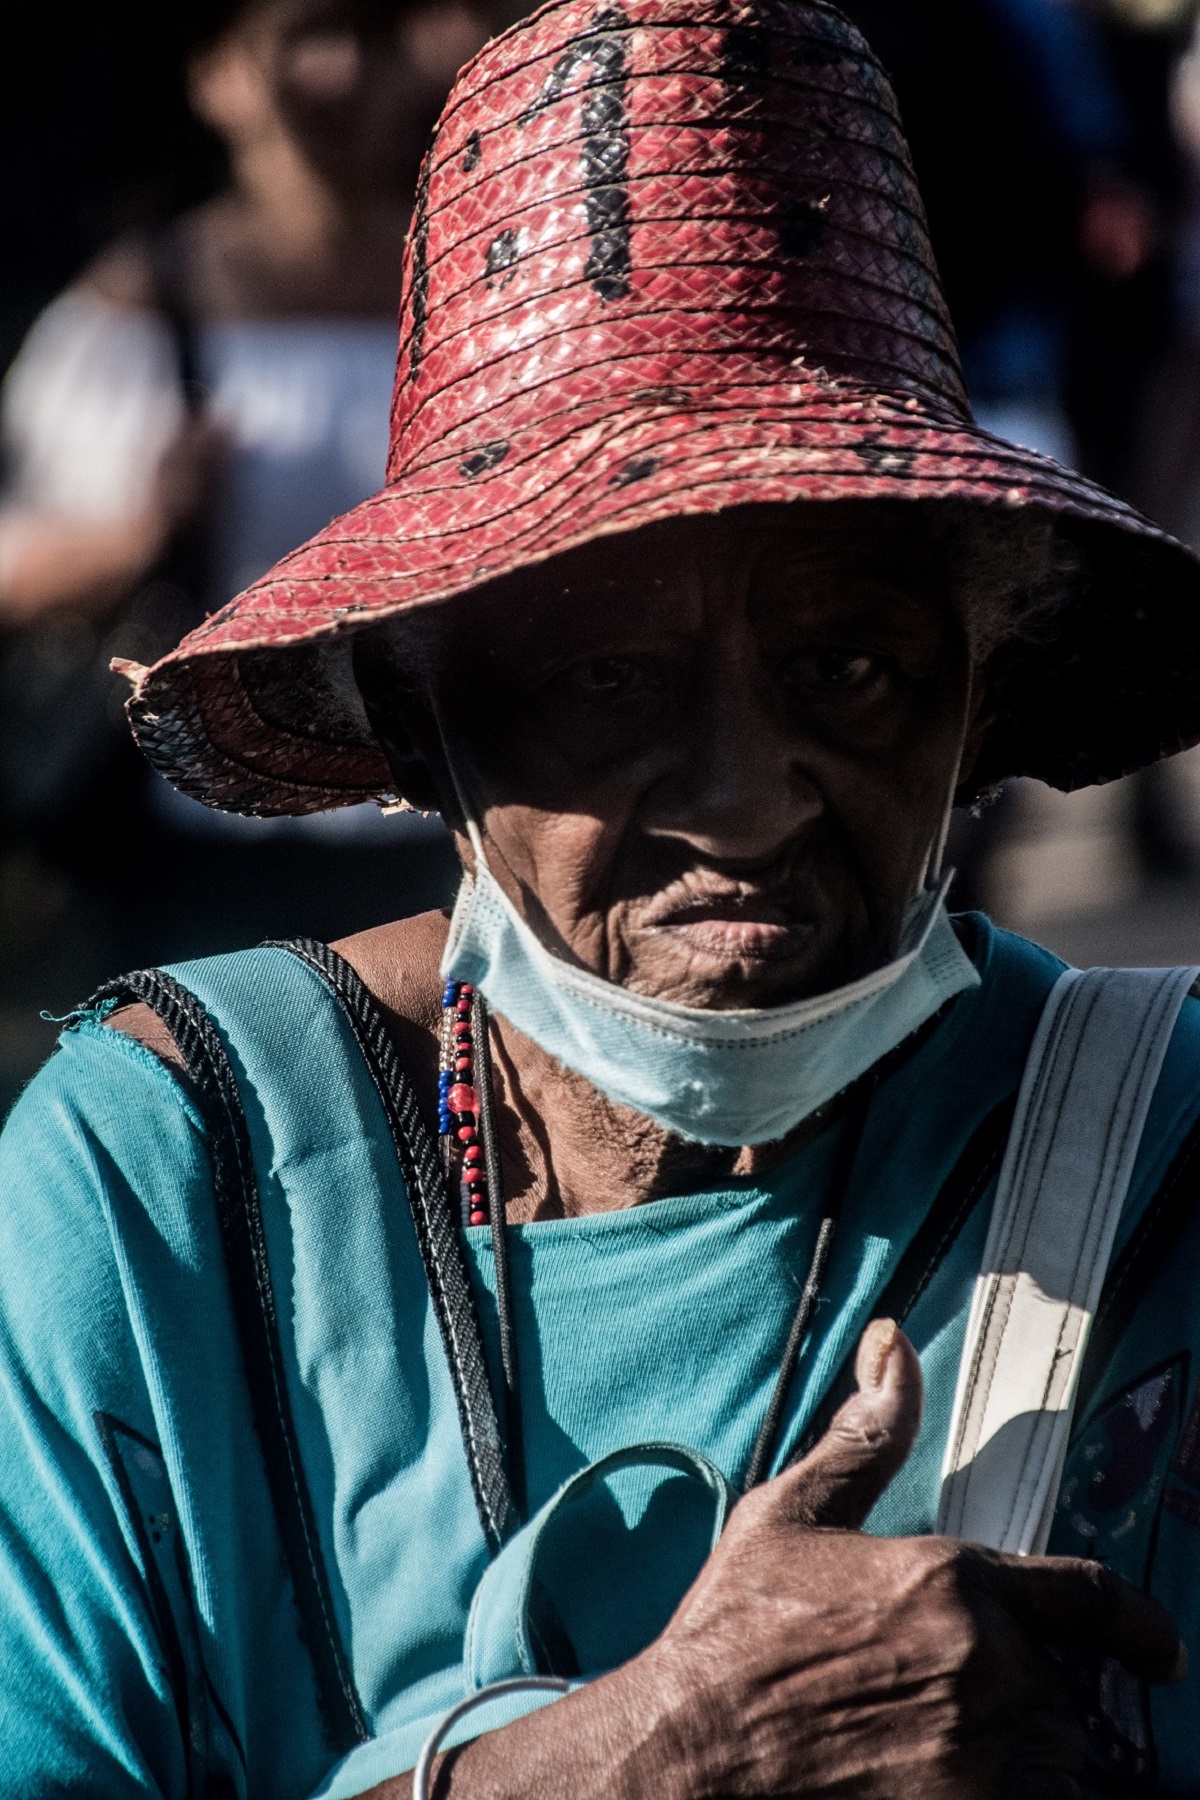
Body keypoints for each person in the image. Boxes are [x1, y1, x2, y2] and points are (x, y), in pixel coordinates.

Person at [4, 1, 1200, 1795]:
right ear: (421, 726)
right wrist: (666, 1747)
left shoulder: (1167, 1146)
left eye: (852, 669)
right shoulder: (164, 1179)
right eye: (606, 682)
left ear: (983, 698)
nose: (749, 796)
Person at [0, 0, 484, 1096]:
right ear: (217, 76)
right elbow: (16, 563)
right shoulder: (147, 302)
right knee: (213, 1116)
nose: (343, 72)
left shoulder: (476, 289)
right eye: (306, 36)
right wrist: (137, 533)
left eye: (373, 37)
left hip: (446, 817)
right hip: (204, 839)